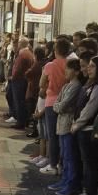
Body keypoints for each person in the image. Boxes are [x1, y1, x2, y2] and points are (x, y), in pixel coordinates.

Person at [70, 55, 98, 195]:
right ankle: (87, 192)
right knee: (87, 163)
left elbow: (90, 109)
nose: (88, 68)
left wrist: (77, 124)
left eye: (93, 66)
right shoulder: (90, 84)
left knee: (91, 165)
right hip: (83, 129)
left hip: (90, 130)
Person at [50, 58, 84, 195]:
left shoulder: (76, 86)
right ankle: (64, 180)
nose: (65, 71)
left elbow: (62, 105)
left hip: (68, 124)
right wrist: (58, 106)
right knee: (64, 155)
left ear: (76, 71)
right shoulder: (66, 86)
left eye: (68, 69)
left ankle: (71, 184)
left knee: (70, 156)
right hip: (62, 123)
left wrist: (58, 107)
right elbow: (57, 104)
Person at [39, 38, 72, 175]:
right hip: (67, 101)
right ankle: (62, 164)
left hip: (51, 101)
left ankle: (53, 165)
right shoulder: (70, 64)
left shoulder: (50, 65)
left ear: (55, 50)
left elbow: (42, 83)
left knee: (52, 136)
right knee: (63, 136)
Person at [8, 37, 35, 130]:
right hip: (23, 80)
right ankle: (24, 120)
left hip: (19, 81)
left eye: (19, 42)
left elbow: (17, 69)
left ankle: (20, 122)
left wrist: (13, 77)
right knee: (22, 102)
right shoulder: (29, 53)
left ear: (21, 43)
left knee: (19, 102)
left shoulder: (23, 54)